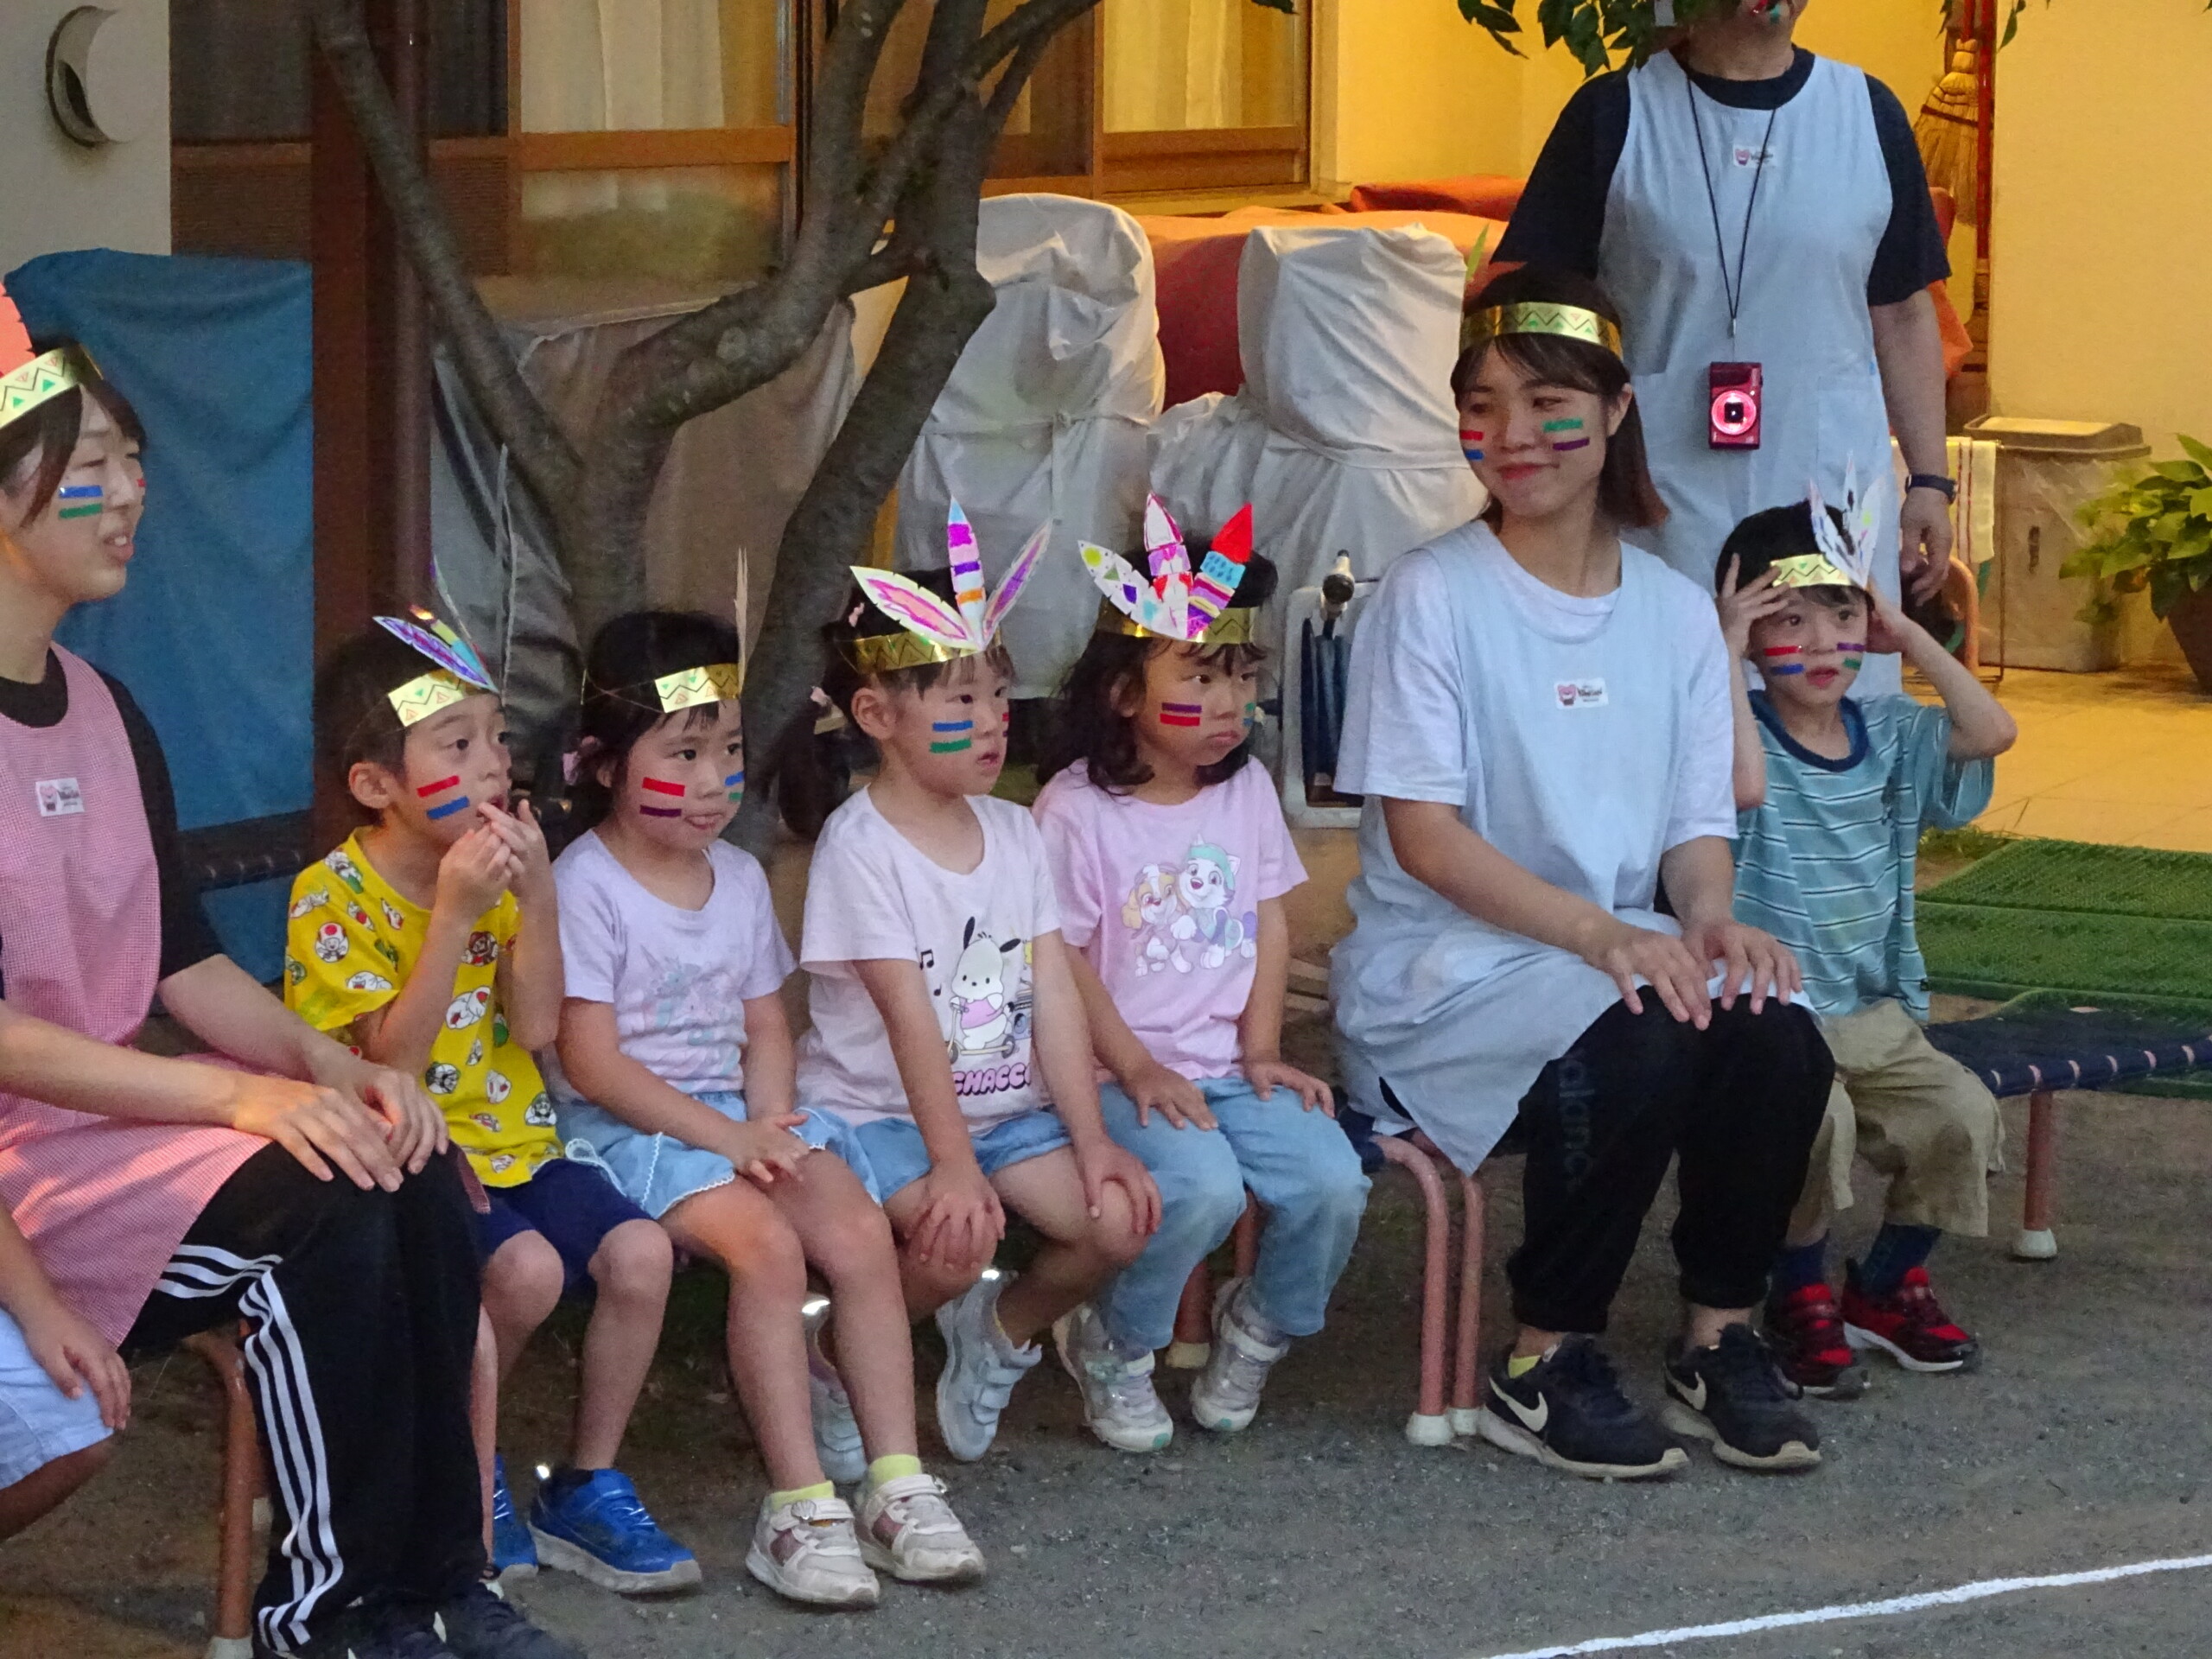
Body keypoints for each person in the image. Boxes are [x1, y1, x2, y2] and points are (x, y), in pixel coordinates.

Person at [0, 295, 578, 1656]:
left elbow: (184, 958)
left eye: (133, 463)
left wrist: (326, 1063)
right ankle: (330, 1613)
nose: (131, 494)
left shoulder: (105, 708)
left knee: (405, 1158)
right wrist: (240, 1100)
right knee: (316, 1214)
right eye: (93, 466)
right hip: (34, 1165)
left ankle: (445, 1581)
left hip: (128, 1127)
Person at [1331, 266, 1834, 1480]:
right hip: (1445, 975)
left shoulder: (1670, 609)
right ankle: (1541, 1360)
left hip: (1609, 955)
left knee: (1775, 1030)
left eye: (1547, 403)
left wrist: (1709, 920)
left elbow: (1693, 825)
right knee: (1643, 1031)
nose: (1511, 434)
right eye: (1482, 405)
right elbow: (1425, 839)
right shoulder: (1431, 594)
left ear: (1614, 412)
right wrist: (1607, 939)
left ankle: (1718, 1336)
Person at [547, 608, 983, 1606]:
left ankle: (896, 1482)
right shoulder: (585, 886)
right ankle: (797, 1504)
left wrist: (771, 1123)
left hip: (739, 1120)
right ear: (604, 764)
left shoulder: (740, 877)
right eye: (683, 753)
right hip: (632, 1131)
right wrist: (730, 1139)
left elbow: (767, 1025)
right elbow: (592, 1065)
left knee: (858, 1231)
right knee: (769, 1248)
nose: (714, 781)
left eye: (730, 751)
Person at [290, 624, 691, 1596]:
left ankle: (584, 1485)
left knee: (642, 1254)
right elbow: (388, 1064)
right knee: (524, 1271)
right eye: (458, 744)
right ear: (376, 785)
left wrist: (537, 895)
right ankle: (461, 1468)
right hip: (404, 1154)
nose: (493, 766)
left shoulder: (498, 873)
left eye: (498, 739)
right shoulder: (330, 896)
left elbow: (541, 1025)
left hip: (516, 1143)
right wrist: (455, 917)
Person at [772, 525, 1159, 1465]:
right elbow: (909, 1018)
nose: (993, 720)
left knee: (1115, 1222)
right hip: (880, 1115)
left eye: (996, 692)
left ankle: (999, 1331)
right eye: (961, 698)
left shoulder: (1016, 832)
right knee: (955, 1239)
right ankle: (835, 1361)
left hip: (1005, 1112)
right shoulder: (861, 847)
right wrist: (951, 1166)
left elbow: (1054, 992)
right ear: (876, 713)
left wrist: (1092, 1140)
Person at [1497, 0, 1958, 698]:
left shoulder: (1867, 112)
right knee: (1669, 698)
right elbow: (1544, 321)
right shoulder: (1616, 111)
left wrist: (1929, 482)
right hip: (1658, 486)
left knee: (1826, 714)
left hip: (1827, 476)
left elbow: (1901, 309)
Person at [1033, 519, 1368, 1451]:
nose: (1232, 705)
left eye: (1243, 678)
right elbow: (1061, 962)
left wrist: (1261, 1051)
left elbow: (1267, 921)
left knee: (1333, 1181)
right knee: (1202, 1190)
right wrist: (1137, 1068)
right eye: (1201, 678)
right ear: (1121, 693)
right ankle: (1115, 1340)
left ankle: (1258, 1325)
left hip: (1224, 1068)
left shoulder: (1243, 791)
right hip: (1113, 1077)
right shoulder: (1072, 809)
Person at [1715, 495, 2014, 1398]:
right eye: (1787, 620)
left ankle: (1883, 1286)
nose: (1820, 642)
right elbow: (1736, 782)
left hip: (1871, 1011)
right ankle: (1796, 1290)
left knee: (1960, 1115)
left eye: (1841, 614)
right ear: (1750, 638)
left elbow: (1991, 731)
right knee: (1817, 1126)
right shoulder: (1739, 732)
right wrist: (1720, 650)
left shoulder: (1886, 731)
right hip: (1769, 1015)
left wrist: (1907, 634)